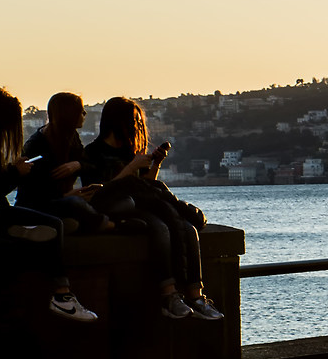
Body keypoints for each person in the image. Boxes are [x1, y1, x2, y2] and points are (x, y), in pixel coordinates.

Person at [0, 87, 99, 322]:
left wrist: (10, 171)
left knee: (36, 227)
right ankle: (63, 297)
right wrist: (16, 172)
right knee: (55, 226)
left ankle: (19, 232)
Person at [81, 96, 224, 321]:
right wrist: (131, 167)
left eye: (139, 121)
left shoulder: (130, 150)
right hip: (119, 208)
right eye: (133, 121)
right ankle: (168, 294)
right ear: (117, 121)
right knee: (160, 228)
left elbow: (145, 183)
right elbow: (99, 192)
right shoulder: (93, 152)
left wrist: (155, 163)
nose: (138, 126)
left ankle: (196, 295)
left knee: (187, 229)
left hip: (142, 202)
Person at [20, 92, 113, 236]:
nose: (84, 113)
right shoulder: (37, 145)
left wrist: (78, 165)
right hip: (40, 205)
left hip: (63, 199)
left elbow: (91, 163)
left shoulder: (71, 137)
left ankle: (71, 225)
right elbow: (33, 189)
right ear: (69, 114)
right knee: (75, 204)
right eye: (80, 111)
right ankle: (107, 225)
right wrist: (65, 195)